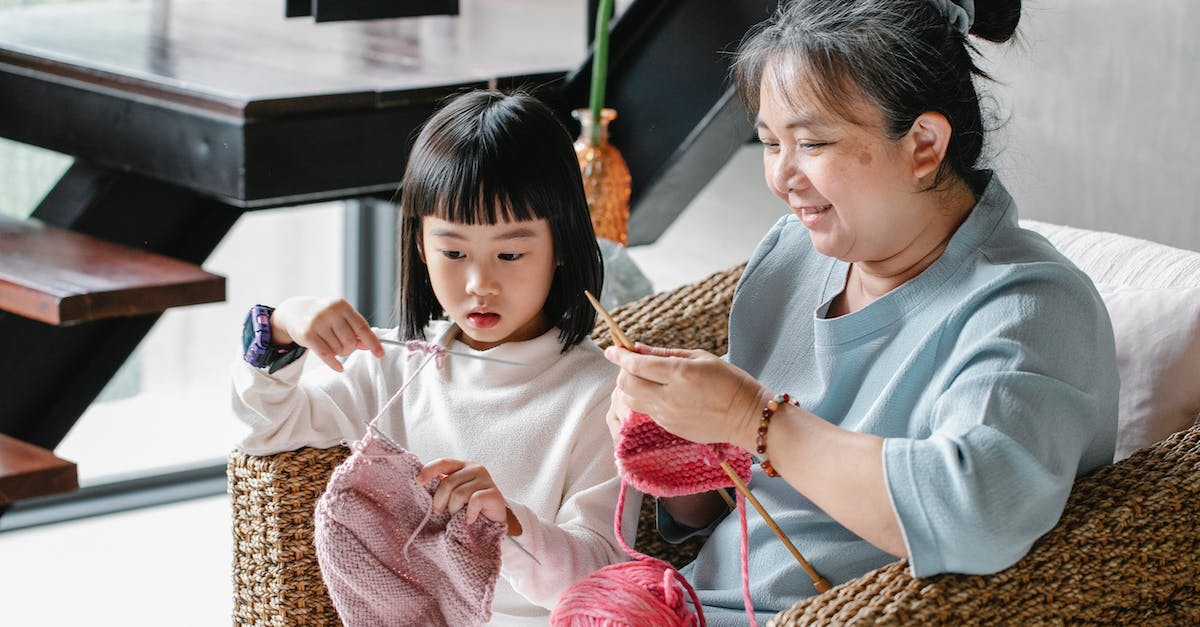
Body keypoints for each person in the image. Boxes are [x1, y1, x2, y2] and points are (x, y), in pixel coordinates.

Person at [603, 0, 1118, 624]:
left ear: (923, 143)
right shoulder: (794, 253)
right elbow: (727, 511)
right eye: (769, 144)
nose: (783, 176)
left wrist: (751, 418)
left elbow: (973, 514)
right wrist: (685, 437)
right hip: (681, 604)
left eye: (813, 142)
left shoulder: (1030, 307)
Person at [232, 89, 637, 625]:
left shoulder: (602, 394)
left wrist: (511, 525)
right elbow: (267, 431)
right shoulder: (389, 364)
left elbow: (603, 576)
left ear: (561, 245)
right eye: (453, 252)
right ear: (420, 248)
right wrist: (280, 328)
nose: (479, 284)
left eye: (510, 254)